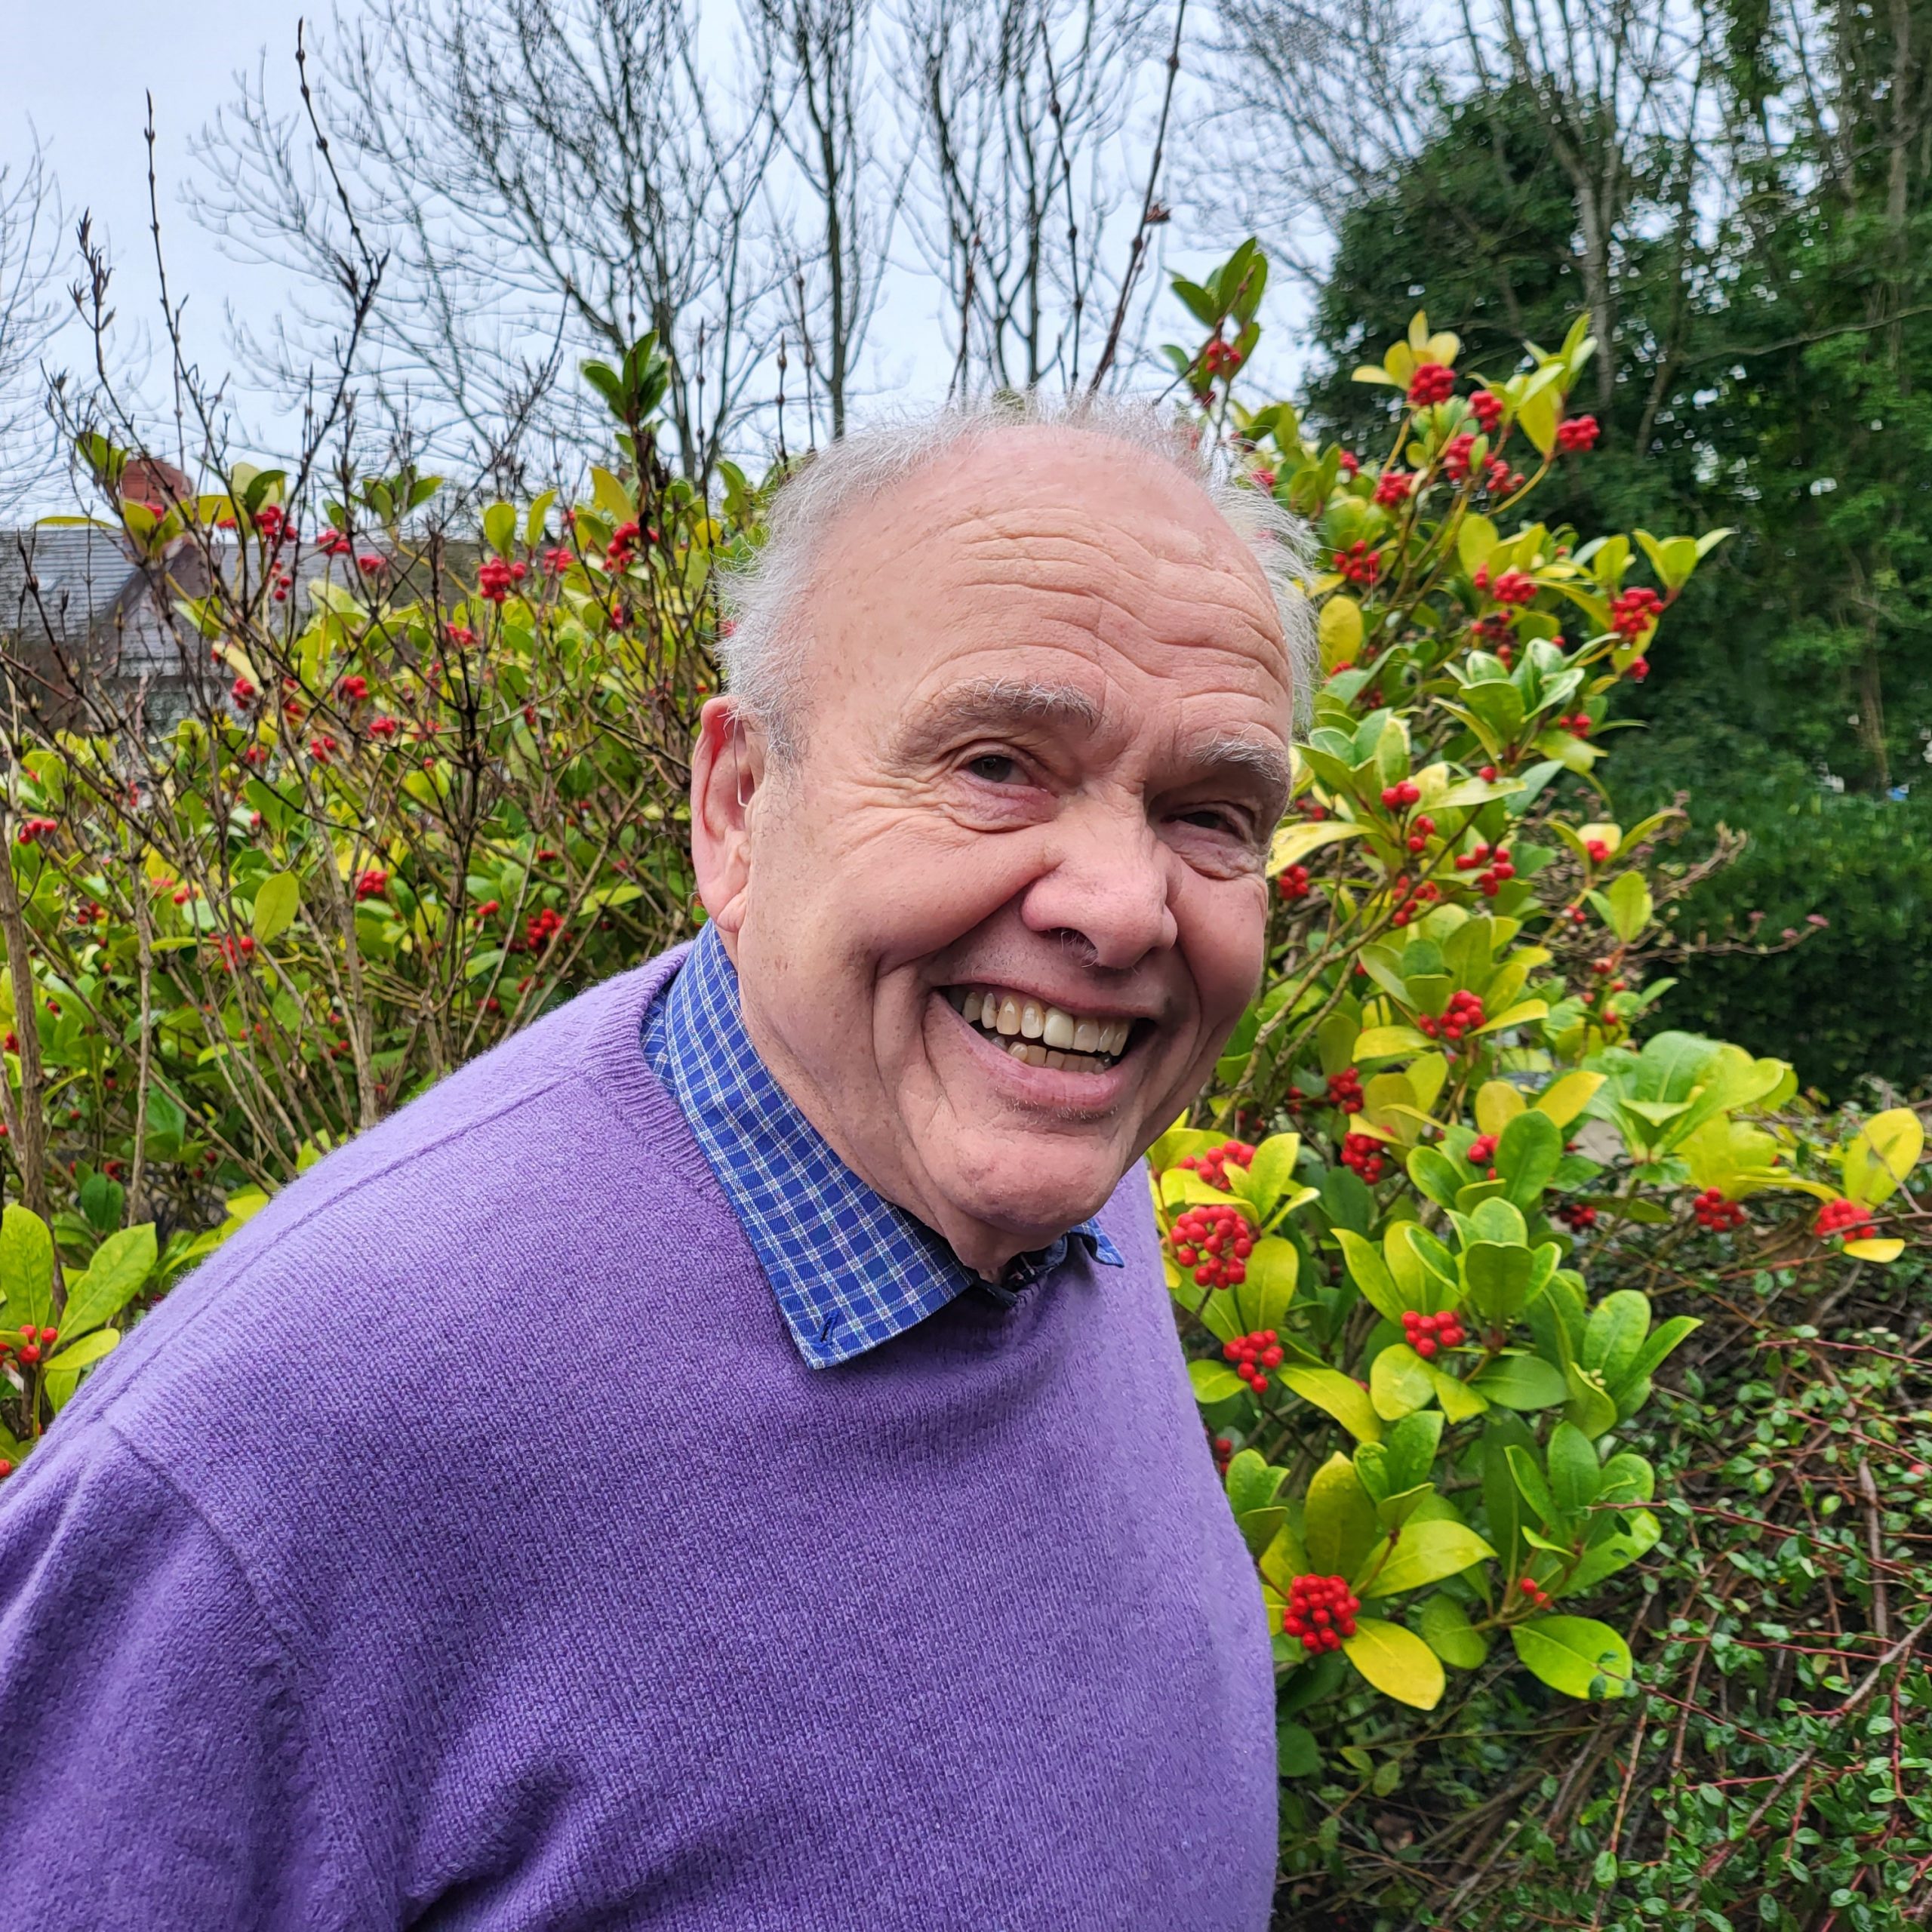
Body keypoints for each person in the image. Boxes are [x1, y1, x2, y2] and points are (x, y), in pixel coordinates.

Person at [0, 399, 1309, 1928]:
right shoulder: (298, 1441)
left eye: (1208, 813)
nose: (1122, 906)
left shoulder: (1068, 1174)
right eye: (996, 762)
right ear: (739, 811)